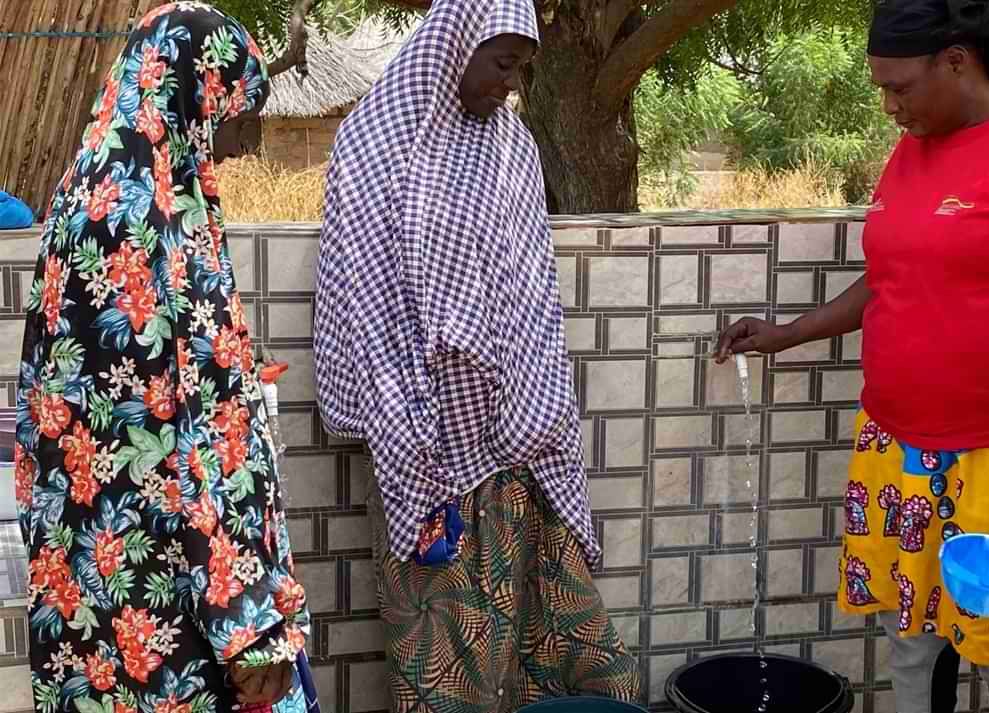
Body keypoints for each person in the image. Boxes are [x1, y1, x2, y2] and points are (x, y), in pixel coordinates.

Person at [714, 1, 989, 710]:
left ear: (957, 61)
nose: (888, 105)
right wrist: (789, 332)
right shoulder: (913, 150)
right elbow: (890, 275)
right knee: (914, 641)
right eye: (881, 88)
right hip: (903, 447)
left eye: (899, 86)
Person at [312, 1, 642, 711]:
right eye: (502, 62)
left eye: (522, 67)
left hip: (522, 441)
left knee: (556, 644)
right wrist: (411, 440)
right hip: (424, 451)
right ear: (456, 44)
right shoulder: (376, 144)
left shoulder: (511, 146)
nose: (512, 83)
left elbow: (531, 289)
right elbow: (365, 302)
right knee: (449, 667)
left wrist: (536, 400)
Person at [13, 4, 315, 713]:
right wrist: (248, 624)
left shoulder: (88, 200)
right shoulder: (148, 230)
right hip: (173, 611)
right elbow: (177, 443)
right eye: (231, 109)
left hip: (93, 597)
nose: (238, 140)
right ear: (190, 90)